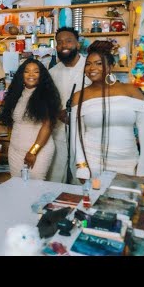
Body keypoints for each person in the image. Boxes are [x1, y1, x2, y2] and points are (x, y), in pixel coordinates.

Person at [71, 40, 144, 181]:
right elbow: (76, 135)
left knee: (128, 202)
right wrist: (81, 166)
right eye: (88, 64)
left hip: (129, 164)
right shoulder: (79, 96)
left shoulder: (132, 91)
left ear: (110, 66)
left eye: (98, 63)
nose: (92, 68)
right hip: (92, 165)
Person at [0, 58, 61, 180]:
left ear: (41, 75)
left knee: (35, 188)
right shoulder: (15, 94)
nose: (31, 75)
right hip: (15, 150)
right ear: (21, 74)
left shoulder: (47, 95)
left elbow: (47, 126)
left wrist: (33, 151)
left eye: (36, 71)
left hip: (39, 151)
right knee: (16, 186)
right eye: (27, 71)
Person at [47, 27, 91, 183]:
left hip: (86, 135)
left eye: (68, 41)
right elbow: (48, 101)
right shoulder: (52, 72)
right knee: (55, 180)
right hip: (58, 134)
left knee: (83, 181)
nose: (63, 45)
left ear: (78, 44)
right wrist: (58, 112)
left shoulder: (91, 67)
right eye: (59, 42)